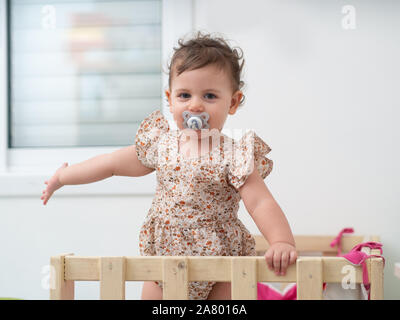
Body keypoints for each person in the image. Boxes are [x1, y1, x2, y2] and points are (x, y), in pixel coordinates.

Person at [41, 31, 297, 300]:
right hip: (164, 258)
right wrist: (63, 177)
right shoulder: (161, 146)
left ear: (232, 102)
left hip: (222, 261)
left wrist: (281, 241)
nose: (195, 105)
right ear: (170, 99)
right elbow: (109, 164)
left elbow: (260, 203)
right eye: (185, 95)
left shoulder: (235, 156)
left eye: (209, 96)